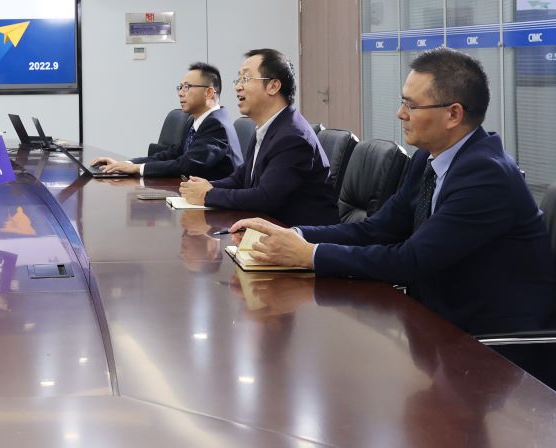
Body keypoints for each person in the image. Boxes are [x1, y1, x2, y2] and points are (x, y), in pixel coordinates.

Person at [231, 48, 556, 334]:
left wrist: (309, 255)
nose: (400, 114)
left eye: (411, 105)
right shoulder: (428, 159)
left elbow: (411, 260)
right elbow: (378, 229)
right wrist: (294, 235)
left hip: (492, 344)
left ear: (453, 114)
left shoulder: (486, 175)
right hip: (436, 322)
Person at [179, 48, 337, 226]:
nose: (238, 86)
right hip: (270, 227)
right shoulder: (268, 127)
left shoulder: (293, 137)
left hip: (301, 235)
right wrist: (207, 186)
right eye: (238, 79)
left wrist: (208, 195)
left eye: (246, 79)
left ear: (273, 86)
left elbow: (266, 197)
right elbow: (241, 178)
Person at [91, 62, 242, 181]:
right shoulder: (193, 121)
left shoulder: (217, 125)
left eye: (187, 87)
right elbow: (172, 155)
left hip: (219, 204)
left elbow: (187, 165)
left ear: (209, 92)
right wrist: (128, 164)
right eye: (180, 87)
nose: (180, 93)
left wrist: (138, 169)